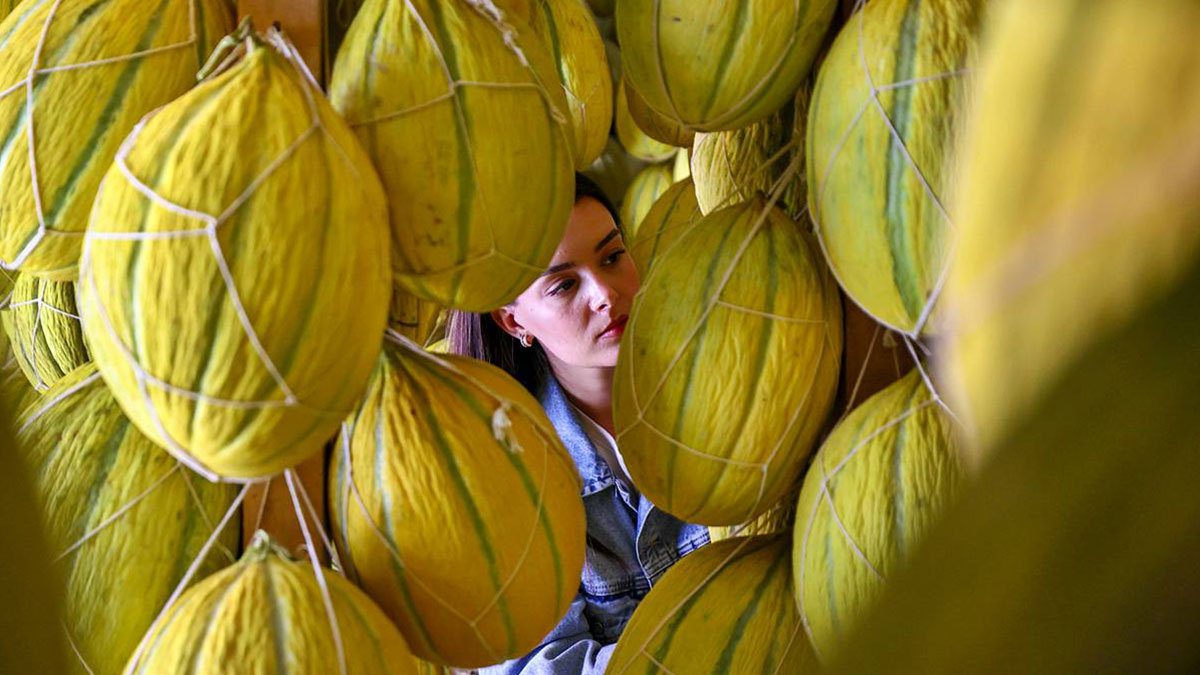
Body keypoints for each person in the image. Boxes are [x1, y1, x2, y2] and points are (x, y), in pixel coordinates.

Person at [447, 174, 710, 673]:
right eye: (564, 284)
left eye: (612, 257)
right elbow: (537, 667)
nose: (606, 294)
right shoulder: (509, 484)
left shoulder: (719, 393)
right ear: (513, 321)